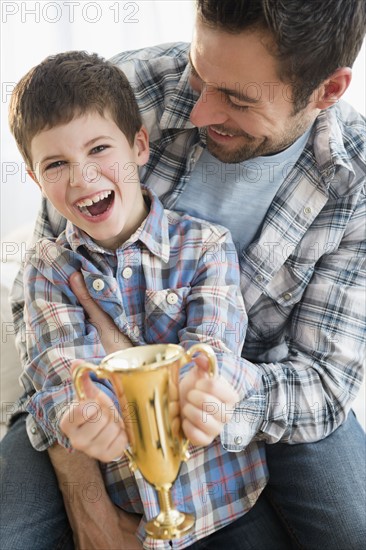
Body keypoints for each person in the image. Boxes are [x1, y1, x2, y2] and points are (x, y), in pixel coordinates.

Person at [1, 0, 365, 548]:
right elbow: (44, 317)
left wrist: (204, 384)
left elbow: (325, 384)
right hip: (95, 387)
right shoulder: (116, 94)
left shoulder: (355, 181)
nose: (197, 112)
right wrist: (90, 505)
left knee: (351, 529)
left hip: (256, 385)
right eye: (199, 76)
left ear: (327, 92)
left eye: (237, 99)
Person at [5, 49, 248, 548]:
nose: (82, 178)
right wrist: (80, 413)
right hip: (123, 503)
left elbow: (210, 359)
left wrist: (194, 387)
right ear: (34, 179)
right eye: (56, 163)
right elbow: (60, 379)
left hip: (221, 504)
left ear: (139, 145)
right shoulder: (48, 271)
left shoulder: (206, 246)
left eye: (98, 149)